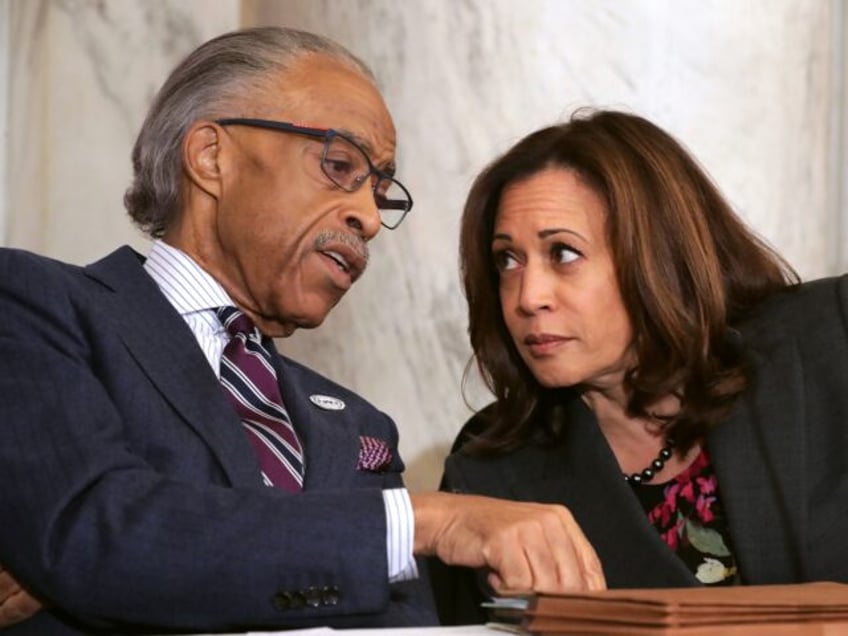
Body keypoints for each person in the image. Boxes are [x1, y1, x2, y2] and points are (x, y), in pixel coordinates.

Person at [0, 27, 605, 634]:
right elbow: (96, 531)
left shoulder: (358, 425)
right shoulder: (37, 307)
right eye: (341, 165)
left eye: (380, 191)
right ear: (212, 155)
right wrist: (427, 522)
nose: (368, 218)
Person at [430, 108, 848, 624]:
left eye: (562, 252)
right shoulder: (491, 468)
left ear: (659, 254)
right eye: (507, 261)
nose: (527, 296)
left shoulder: (831, 339)